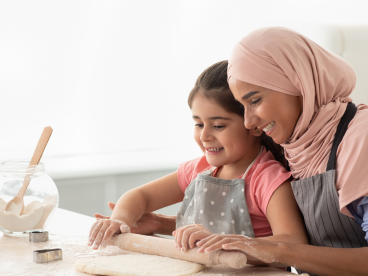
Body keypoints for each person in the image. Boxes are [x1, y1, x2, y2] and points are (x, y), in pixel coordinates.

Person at [196, 27, 368, 276]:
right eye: (243, 107)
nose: (249, 121)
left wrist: (279, 250)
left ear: (297, 82)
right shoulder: (293, 143)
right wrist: (162, 223)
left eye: (255, 100)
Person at [88, 61, 307, 257]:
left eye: (218, 125)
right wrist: (121, 220)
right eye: (199, 124)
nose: (205, 136)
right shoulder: (199, 169)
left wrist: (225, 244)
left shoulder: (268, 179)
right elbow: (141, 196)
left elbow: (293, 242)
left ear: (254, 124)